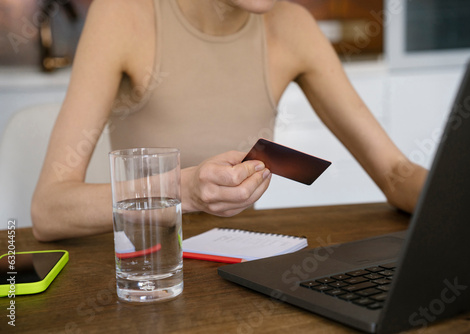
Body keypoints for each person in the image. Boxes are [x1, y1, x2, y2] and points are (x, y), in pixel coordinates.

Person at [31, 0, 427, 242]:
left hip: (243, 269)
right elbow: (49, 211)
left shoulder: (292, 27)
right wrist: (184, 189)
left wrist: (469, 200)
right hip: (145, 269)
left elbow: (394, 172)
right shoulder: (122, 14)